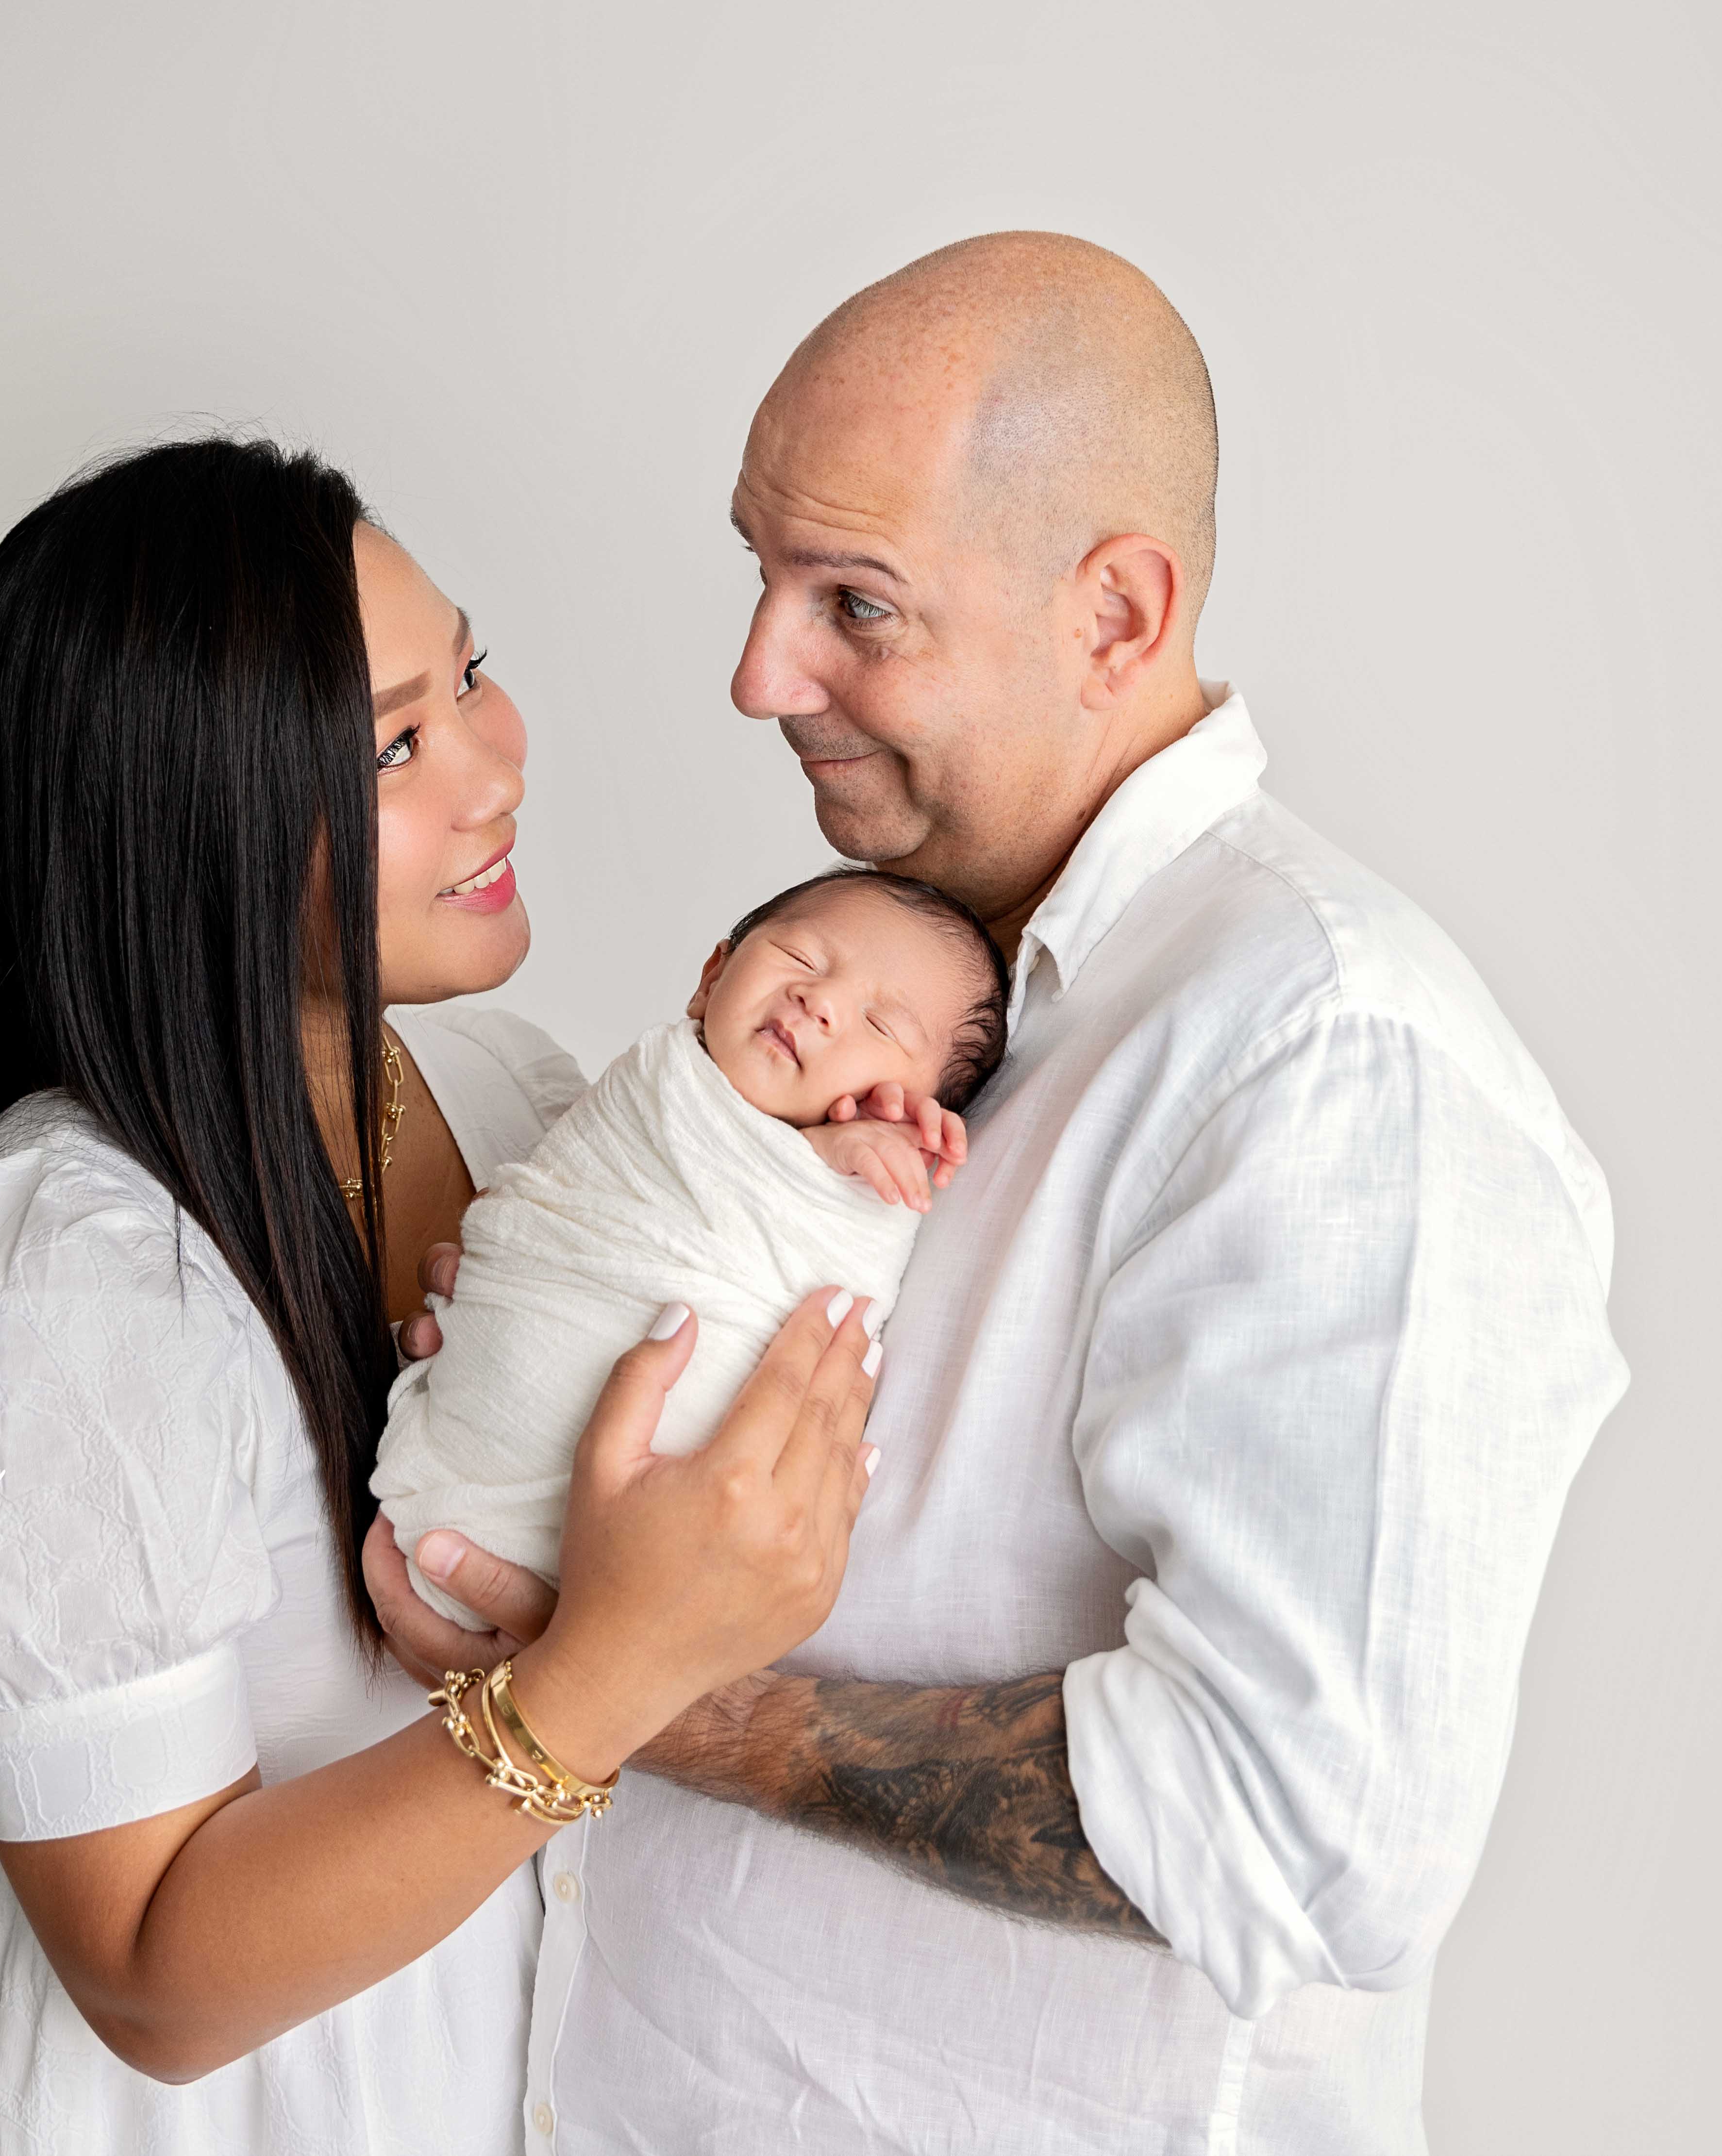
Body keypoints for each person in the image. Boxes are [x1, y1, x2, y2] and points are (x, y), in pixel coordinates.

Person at [370, 233, 1633, 2151]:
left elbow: (1302, 1827)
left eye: (853, 602)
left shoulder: (1326, 1058)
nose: (754, 671)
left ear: (1115, 614)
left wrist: (640, 1685)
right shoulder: (903, 981)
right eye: (760, 574)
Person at [0, 436, 893, 2156]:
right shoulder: (65, 1286)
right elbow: (153, 1977)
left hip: (479, 2054)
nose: (495, 768)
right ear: (197, 832)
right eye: (395, 743)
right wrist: (616, 1663)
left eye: (469, 673)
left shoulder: (515, 1098)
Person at [373, 866, 1006, 1625]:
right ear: (711, 979)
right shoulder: (655, 1083)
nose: (821, 1000)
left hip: (652, 1559)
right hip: (478, 1413)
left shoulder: (866, 1193)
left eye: (882, 1026)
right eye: (801, 959)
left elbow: (838, 1291)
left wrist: (845, 1179)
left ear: (921, 1108)